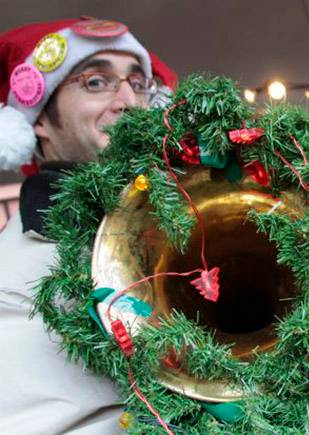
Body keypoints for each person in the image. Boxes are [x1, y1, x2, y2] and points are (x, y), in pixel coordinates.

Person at [0, 18, 177, 434]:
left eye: (138, 83)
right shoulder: (11, 275)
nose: (128, 101)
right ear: (38, 120)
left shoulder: (168, 214)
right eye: (96, 82)